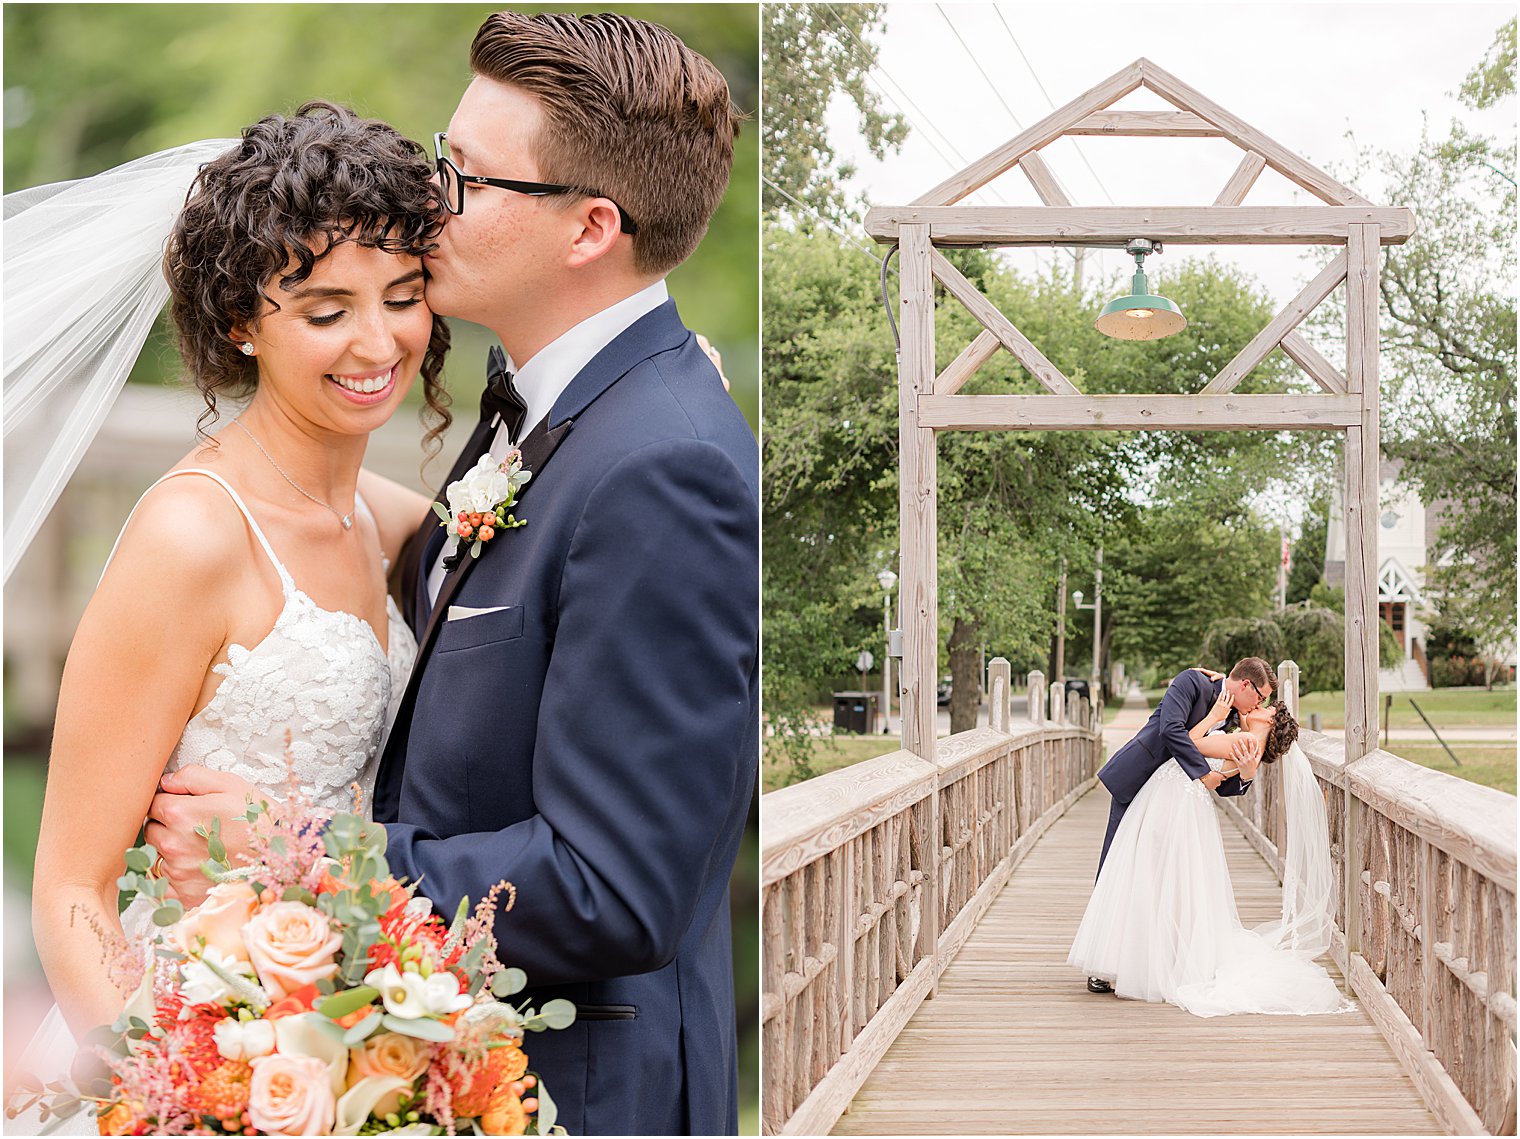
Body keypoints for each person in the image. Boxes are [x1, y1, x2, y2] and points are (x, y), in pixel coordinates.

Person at [147, 11, 759, 1135]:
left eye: (468, 178)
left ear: (589, 229)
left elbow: (612, 885)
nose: (431, 201)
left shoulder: (661, 464)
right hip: (418, 1063)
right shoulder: (556, 409)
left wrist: (308, 862)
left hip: (568, 1096)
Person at [5, 102, 449, 1131]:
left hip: (353, 1030)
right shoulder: (192, 536)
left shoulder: (404, 529)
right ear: (242, 320)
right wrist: (181, 1094)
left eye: (402, 295)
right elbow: (73, 885)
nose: (376, 340)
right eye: (325, 308)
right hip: (192, 1046)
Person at [1069, 687, 1352, 1017]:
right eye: (1260, 699)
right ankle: (1155, 957)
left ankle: (1140, 959)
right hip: (1184, 802)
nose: (1259, 706)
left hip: (1176, 802)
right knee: (1171, 882)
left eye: (1265, 706)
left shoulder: (1242, 742)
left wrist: (1215, 718)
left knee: (1149, 875)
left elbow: (1191, 741)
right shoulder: (1250, 745)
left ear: (1270, 720)